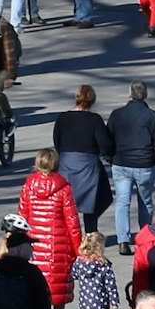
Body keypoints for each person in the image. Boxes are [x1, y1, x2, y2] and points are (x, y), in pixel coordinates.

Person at [16, 147, 83, 309]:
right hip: (57, 246)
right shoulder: (63, 188)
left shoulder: (28, 186)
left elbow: (22, 216)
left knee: (33, 293)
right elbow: (72, 222)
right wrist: (78, 249)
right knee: (58, 295)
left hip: (34, 247)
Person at [107, 82, 155, 253]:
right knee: (145, 201)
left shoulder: (117, 115)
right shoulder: (154, 116)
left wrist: (110, 157)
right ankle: (144, 236)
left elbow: (108, 139)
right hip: (144, 164)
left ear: (130, 94)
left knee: (122, 202)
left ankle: (123, 241)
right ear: (145, 95)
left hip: (121, 163)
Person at [52, 85, 114, 233]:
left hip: (66, 164)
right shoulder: (94, 120)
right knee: (97, 200)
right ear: (92, 100)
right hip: (88, 165)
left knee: (67, 202)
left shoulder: (63, 117)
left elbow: (57, 141)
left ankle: (69, 233)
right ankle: (90, 233)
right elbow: (105, 144)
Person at [70, 232, 117, 309]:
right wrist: (114, 300)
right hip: (101, 298)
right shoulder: (103, 264)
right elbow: (110, 284)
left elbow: (73, 274)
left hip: (86, 299)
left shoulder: (79, 262)